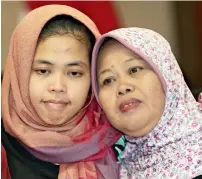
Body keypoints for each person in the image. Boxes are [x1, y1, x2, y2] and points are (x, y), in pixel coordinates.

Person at [1, 5, 121, 179]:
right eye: (43, 71)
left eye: (74, 73)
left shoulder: (119, 141)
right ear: (19, 71)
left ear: (92, 78)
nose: (58, 86)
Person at [91, 27, 202, 178]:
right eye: (108, 80)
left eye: (134, 70)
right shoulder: (109, 168)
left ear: (168, 75)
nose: (123, 87)